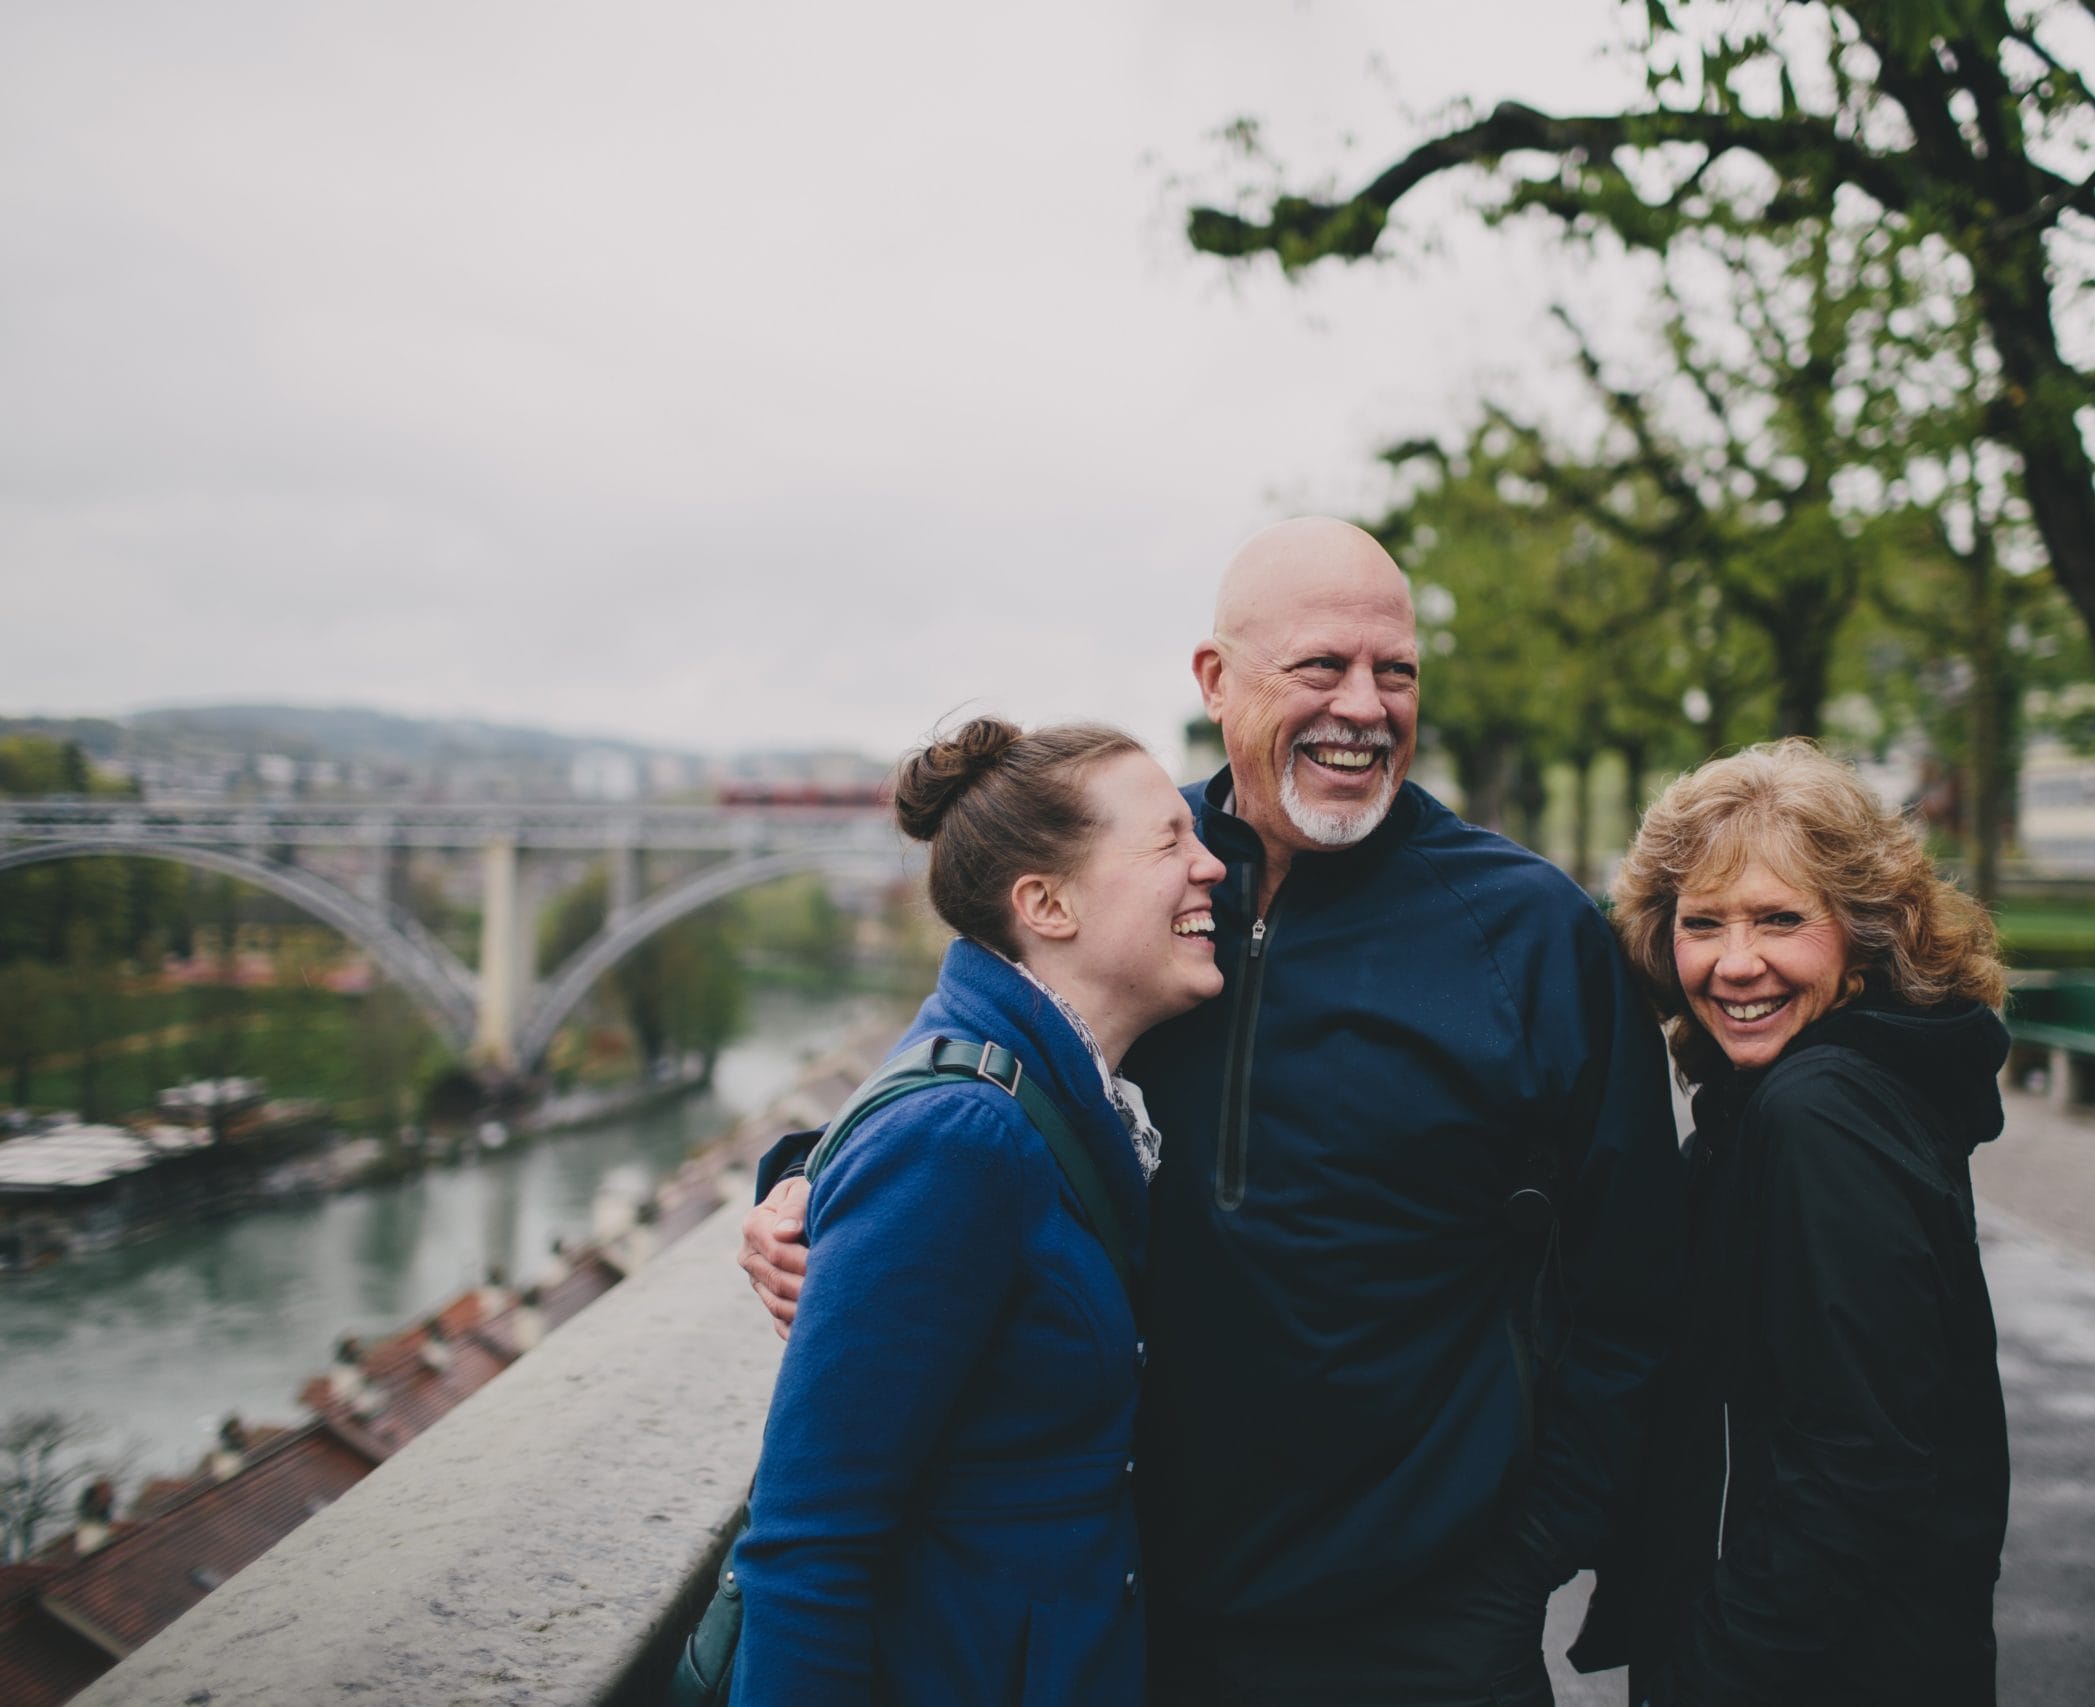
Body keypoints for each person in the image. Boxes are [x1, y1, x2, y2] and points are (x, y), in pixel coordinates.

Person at [742, 518, 1684, 1706]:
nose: (1364, 705)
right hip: (1141, 1612)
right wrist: (796, 1181)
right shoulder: (1136, 878)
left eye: (1395, 672)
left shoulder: (1529, 932)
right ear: (1215, 680)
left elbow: (1637, 1280)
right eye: (1319, 668)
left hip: (1423, 1630)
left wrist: (1523, 1562)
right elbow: (963, 1072)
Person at [730, 717, 1226, 1704]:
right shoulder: (964, 1138)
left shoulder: (1047, 1091)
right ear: (1045, 904)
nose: (1210, 866)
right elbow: (804, 1549)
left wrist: (798, 1171)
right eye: (1170, 841)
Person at [1572, 738, 2011, 1706]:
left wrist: (1713, 1672)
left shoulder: (1820, 1116)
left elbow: (1859, 1466)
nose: (1736, 964)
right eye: (1703, 923)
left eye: (1779, 919)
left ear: (1862, 931)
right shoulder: (1805, 1097)